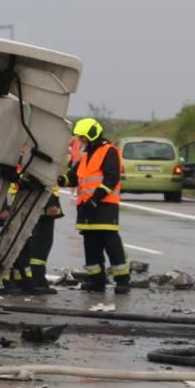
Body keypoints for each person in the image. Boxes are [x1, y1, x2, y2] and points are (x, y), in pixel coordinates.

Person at [61, 117, 129, 293]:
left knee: (111, 243)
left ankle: (122, 280)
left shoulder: (109, 151)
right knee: (91, 245)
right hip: (87, 208)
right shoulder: (86, 156)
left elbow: (111, 178)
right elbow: (74, 176)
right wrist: (62, 179)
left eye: (83, 138)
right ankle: (97, 281)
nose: (81, 141)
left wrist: (95, 199)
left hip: (104, 207)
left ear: (92, 135)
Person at [0, 184, 63, 296]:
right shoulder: (21, 168)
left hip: (24, 207)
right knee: (6, 249)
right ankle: (2, 282)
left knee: (21, 250)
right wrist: (3, 207)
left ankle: (22, 281)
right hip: (14, 207)